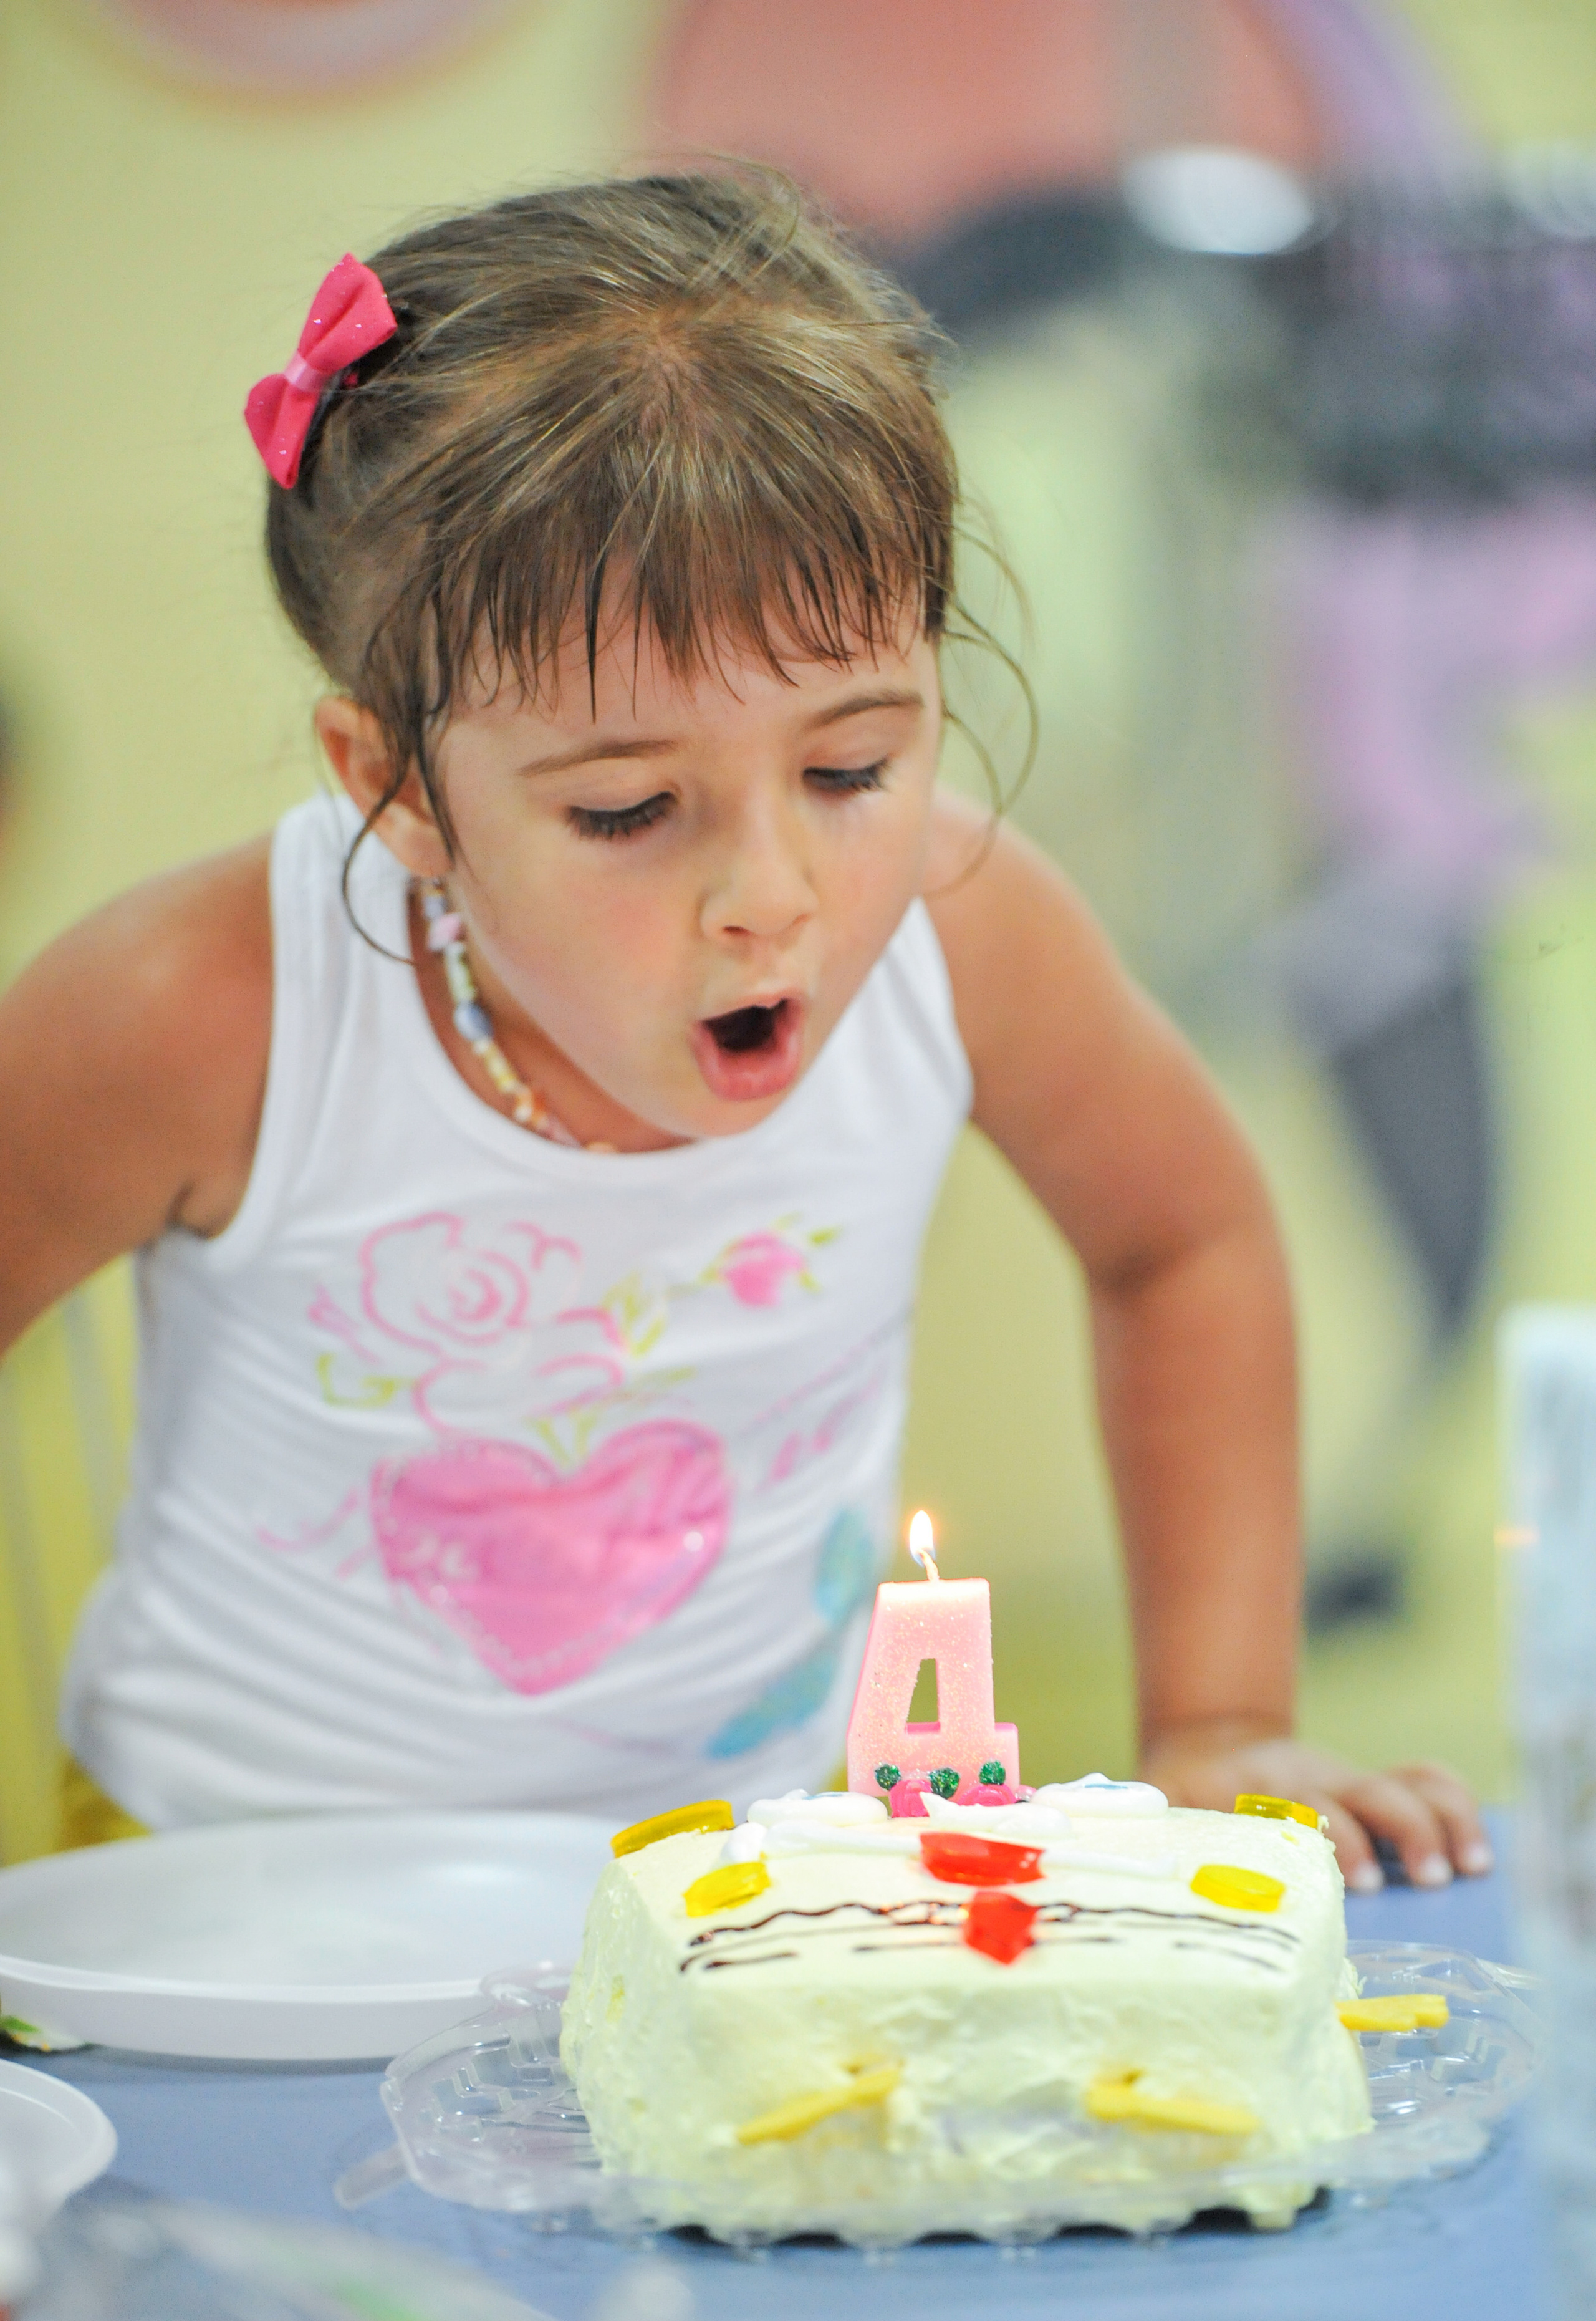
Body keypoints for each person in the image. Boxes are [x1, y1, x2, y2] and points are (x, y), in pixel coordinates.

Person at [0, 173, 1488, 1892]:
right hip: (226, 1912)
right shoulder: (201, 1014)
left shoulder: (964, 930)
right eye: (633, 809)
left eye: (853, 769)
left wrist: (1222, 1719)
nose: (774, 893)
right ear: (395, 785)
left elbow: (1185, 1239)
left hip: (749, 1890)